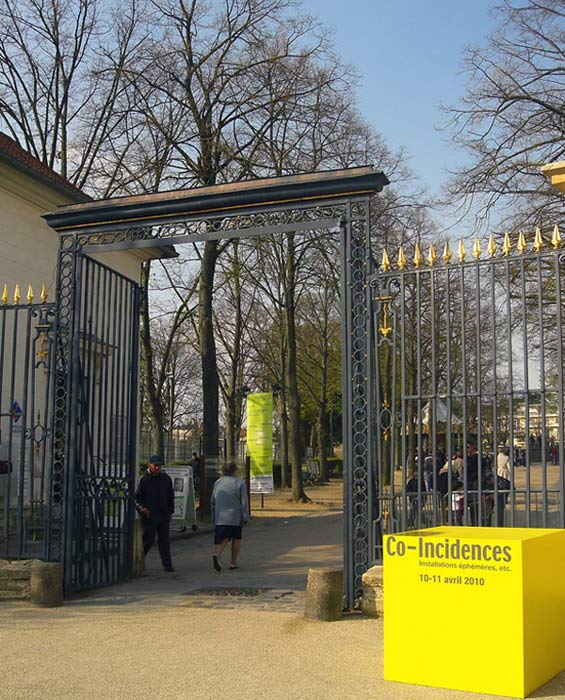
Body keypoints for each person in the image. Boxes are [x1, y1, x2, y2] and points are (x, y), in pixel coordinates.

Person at [135, 455, 175, 572]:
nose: (157, 468)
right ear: (150, 465)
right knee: (148, 538)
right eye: (155, 465)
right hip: (149, 514)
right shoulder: (144, 479)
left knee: (164, 540)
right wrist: (142, 508)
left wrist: (170, 511)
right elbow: (137, 498)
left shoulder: (165, 479)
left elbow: (170, 496)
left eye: (159, 465)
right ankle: (138, 560)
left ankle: (167, 564)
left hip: (163, 513)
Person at [211, 461, 249, 571]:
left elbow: (213, 500)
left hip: (220, 515)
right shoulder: (240, 483)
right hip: (235, 515)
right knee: (236, 537)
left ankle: (217, 554)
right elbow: (244, 501)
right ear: (235, 470)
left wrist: (214, 515)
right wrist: (245, 516)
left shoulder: (218, 482)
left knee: (221, 538)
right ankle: (233, 562)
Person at [496, 445, 512, 527]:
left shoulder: (496, 457)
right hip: (505, 472)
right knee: (505, 485)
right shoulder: (506, 457)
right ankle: (505, 498)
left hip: (499, 471)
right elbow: (509, 467)